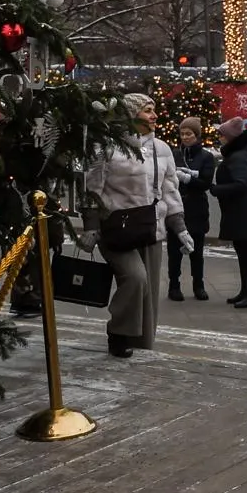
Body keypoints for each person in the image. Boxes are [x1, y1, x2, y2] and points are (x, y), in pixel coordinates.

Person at [79, 93, 188, 358]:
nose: (154, 115)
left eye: (154, 110)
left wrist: (180, 227)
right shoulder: (105, 146)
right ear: (130, 114)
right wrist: (91, 225)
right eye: (148, 110)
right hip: (115, 227)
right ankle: (118, 332)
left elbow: (170, 190)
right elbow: (91, 188)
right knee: (135, 278)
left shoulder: (162, 149)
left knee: (148, 287)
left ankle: (137, 339)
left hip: (150, 227)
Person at [209, 117, 247, 307]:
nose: (220, 138)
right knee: (243, 252)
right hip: (242, 209)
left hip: (243, 210)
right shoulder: (239, 153)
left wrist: (217, 189)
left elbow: (241, 184)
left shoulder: (239, 156)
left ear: (231, 137)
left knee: (246, 253)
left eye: (222, 135)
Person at [168, 117, 217, 302]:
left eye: (189, 134)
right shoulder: (174, 154)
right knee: (174, 251)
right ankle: (174, 285)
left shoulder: (206, 156)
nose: (185, 137)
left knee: (196, 251)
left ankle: (199, 285)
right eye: (182, 133)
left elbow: (205, 182)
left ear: (197, 135)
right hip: (176, 207)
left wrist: (188, 179)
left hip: (196, 209)